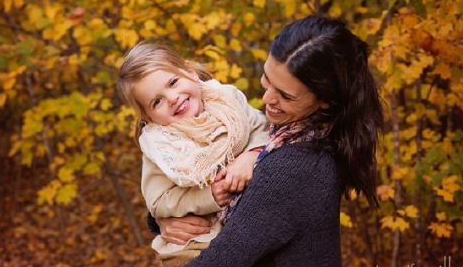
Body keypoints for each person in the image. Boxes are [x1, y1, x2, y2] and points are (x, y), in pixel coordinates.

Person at [148, 15, 384, 266]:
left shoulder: (294, 166)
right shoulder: (286, 137)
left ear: (325, 100)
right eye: (267, 79)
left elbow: (220, 259)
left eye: (285, 94)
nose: (267, 98)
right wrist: (163, 220)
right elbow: (254, 222)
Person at [116, 41, 269, 266]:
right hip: (195, 239)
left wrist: (251, 155)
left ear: (190, 72)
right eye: (157, 101)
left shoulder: (228, 99)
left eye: (173, 82)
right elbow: (158, 201)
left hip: (246, 230)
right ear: (148, 117)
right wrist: (207, 196)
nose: (173, 98)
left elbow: (263, 130)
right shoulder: (161, 145)